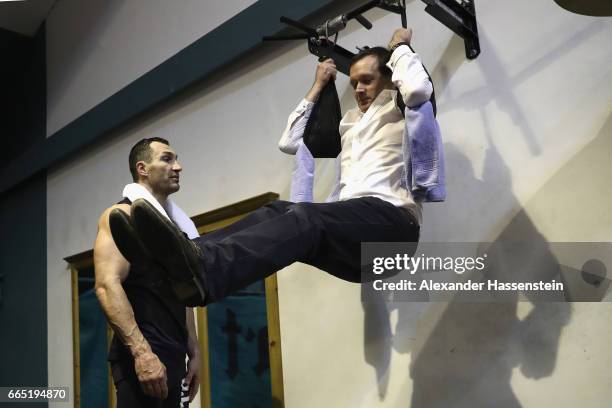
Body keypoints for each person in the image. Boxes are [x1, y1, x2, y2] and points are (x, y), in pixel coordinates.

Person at [109, 28, 432, 306]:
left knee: (305, 217)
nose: (358, 89)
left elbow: (418, 88)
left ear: (389, 79)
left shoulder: (402, 111)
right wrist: (319, 85)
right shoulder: (349, 125)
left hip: (393, 231)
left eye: (367, 80)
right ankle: (177, 258)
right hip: (355, 244)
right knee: (277, 210)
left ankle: (208, 271)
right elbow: (291, 141)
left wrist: (400, 46)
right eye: (355, 82)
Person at [93, 137, 200, 407]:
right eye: (167, 159)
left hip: (174, 354)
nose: (178, 167)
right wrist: (142, 354)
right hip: (144, 354)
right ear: (142, 169)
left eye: (176, 159)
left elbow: (184, 289)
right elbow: (107, 286)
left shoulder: (176, 228)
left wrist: (194, 351)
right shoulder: (119, 216)